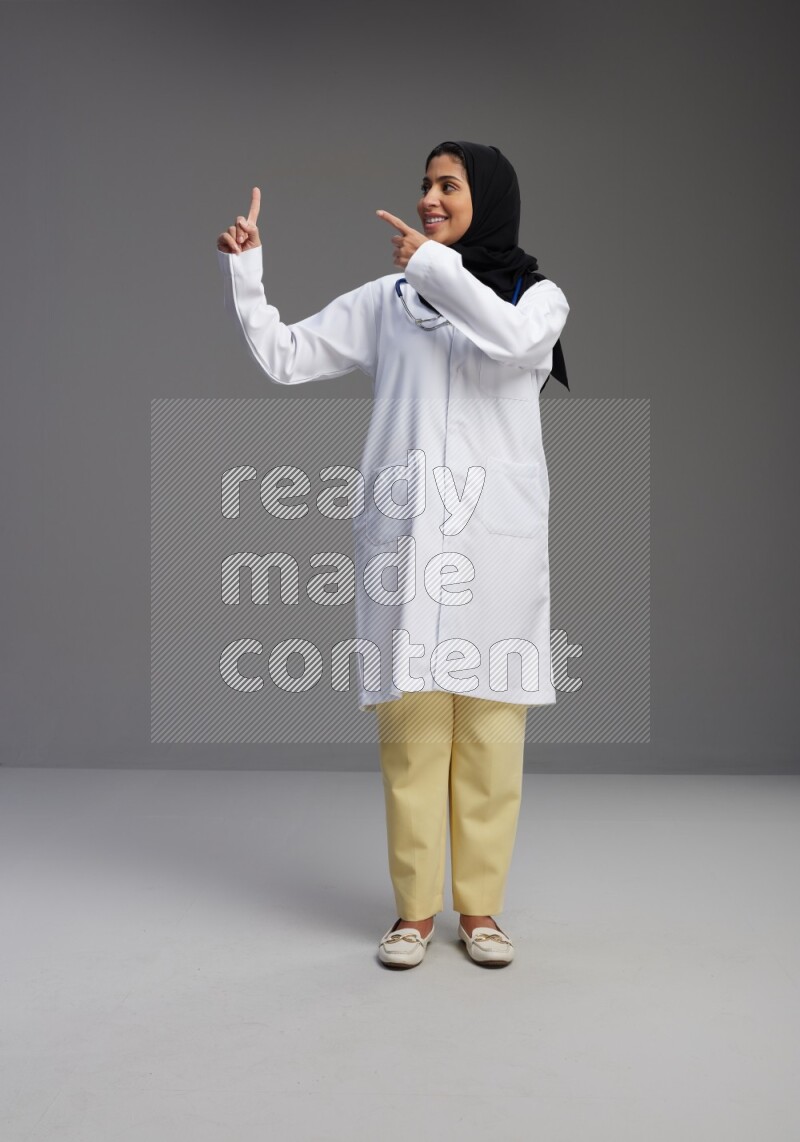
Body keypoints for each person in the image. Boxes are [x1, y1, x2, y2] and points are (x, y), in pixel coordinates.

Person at [216, 140, 570, 969]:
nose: (429, 200)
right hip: (407, 543)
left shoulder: (537, 296)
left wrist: (440, 270)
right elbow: (287, 356)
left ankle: (479, 913)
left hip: (494, 548)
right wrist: (249, 274)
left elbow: (517, 345)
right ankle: (414, 913)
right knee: (412, 735)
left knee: (489, 734)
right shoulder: (392, 299)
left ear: (488, 196)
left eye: (448, 186)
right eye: (425, 187)